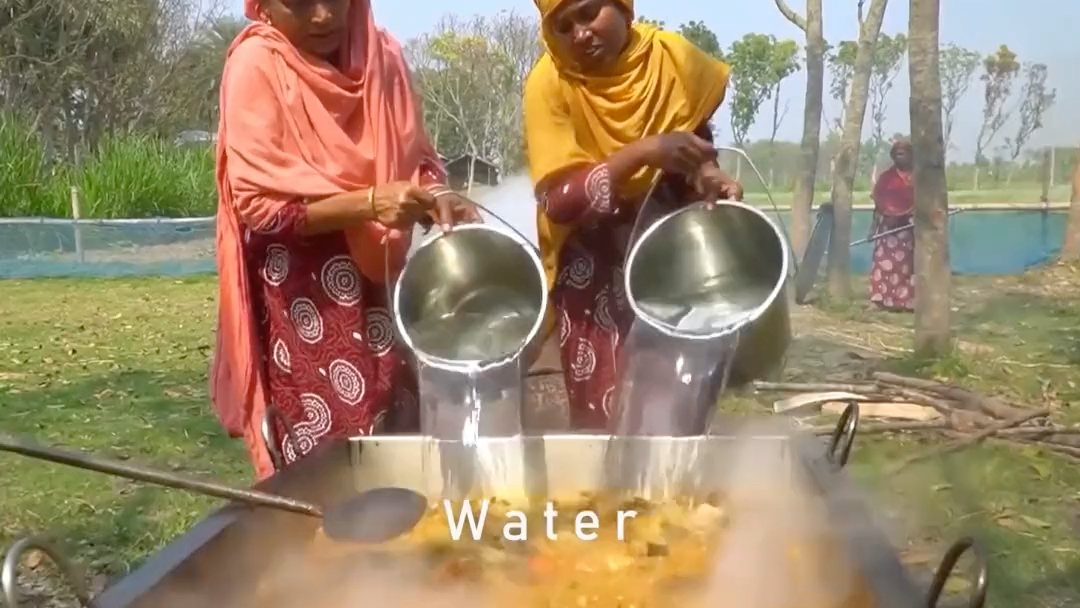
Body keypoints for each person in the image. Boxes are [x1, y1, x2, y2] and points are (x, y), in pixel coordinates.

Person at [211, 0, 479, 479]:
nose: (322, 16)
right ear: (265, 6)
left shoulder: (385, 58)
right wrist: (369, 204)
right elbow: (258, 208)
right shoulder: (257, 65)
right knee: (329, 472)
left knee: (402, 449)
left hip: (387, 290)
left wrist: (436, 193)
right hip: (307, 308)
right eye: (299, 3)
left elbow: (417, 158)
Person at [523, 0, 742, 430]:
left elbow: (693, 146)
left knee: (678, 408)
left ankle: (673, 497)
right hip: (593, 272)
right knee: (604, 414)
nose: (580, 34)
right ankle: (608, 499)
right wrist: (643, 152)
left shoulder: (673, 60)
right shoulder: (549, 82)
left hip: (670, 261)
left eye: (589, 13)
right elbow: (560, 202)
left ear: (623, 7)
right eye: (564, 26)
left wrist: (708, 175)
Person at [868, 139, 915, 312]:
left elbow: (923, 201)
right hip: (887, 228)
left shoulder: (918, 178)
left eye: (904, 153)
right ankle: (878, 300)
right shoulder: (886, 178)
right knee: (882, 262)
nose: (900, 157)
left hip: (908, 228)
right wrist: (872, 228)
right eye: (897, 154)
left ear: (911, 156)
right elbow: (878, 203)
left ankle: (904, 302)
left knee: (906, 266)